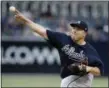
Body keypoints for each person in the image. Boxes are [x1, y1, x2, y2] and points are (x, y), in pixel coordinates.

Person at [14, 10, 104, 87]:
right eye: (73, 28)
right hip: (67, 82)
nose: (74, 30)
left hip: (82, 83)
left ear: (85, 33)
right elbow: (41, 31)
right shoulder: (63, 39)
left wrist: (87, 69)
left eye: (78, 29)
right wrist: (25, 20)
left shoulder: (90, 51)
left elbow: (99, 71)